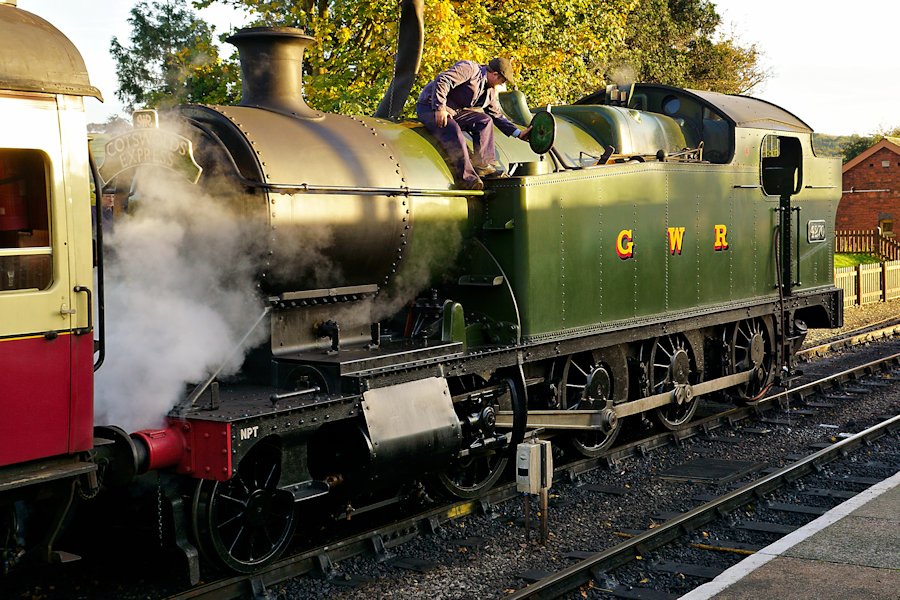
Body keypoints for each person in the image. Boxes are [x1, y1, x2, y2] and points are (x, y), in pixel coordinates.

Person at [416, 57, 531, 190]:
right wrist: (439, 108)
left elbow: (496, 115)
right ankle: (467, 179)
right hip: (430, 106)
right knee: (453, 129)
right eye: (502, 81)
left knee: (484, 121)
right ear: (495, 75)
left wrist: (518, 133)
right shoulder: (469, 69)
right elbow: (443, 79)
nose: (502, 85)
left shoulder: (490, 92)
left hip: (454, 111)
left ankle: (483, 167)